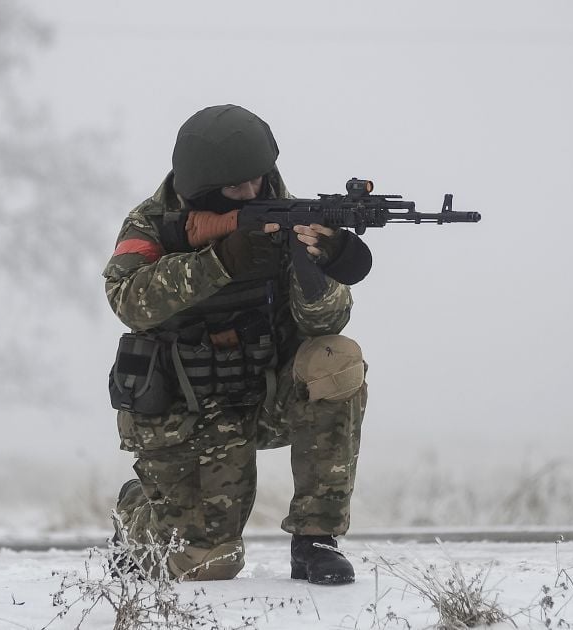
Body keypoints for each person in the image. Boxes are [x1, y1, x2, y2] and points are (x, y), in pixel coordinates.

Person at [103, 104, 373, 584]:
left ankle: (316, 538)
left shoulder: (286, 215)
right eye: (234, 188)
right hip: (187, 413)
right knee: (208, 565)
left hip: (265, 395)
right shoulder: (152, 223)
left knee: (337, 360)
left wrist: (318, 266)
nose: (251, 193)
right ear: (200, 186)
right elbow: (127, 299)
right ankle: (137, 513)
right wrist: (220, 260)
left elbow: (326, 321)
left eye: (256, 179)